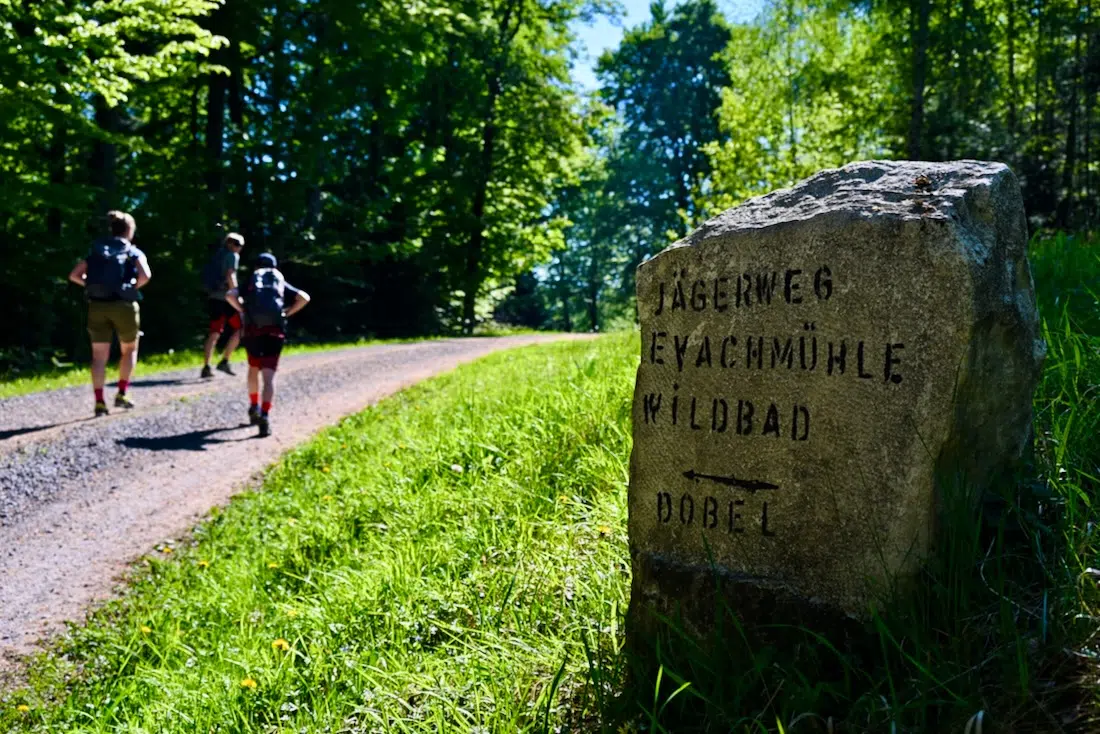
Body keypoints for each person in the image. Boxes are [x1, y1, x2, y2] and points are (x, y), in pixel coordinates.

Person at [68, 211, 152, 417]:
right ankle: (122, 393)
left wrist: (90, 285)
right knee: (129, 349)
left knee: (98, 356)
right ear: (129, 230)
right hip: (124, 306)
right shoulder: (132, 251)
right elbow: (146, 275)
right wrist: (130, 288)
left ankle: (99, 402)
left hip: (97, 306)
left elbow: (74, 275)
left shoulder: (98, 251)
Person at [226, 253, 310, 437]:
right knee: (269, 377)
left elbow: (230, 295)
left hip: (252, 331)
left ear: (257, 266)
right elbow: (304, 297)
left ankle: (253, 405)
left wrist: (243, 309)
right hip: (275, 332)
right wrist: (286, 313)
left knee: (253, 368)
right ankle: (264, 415)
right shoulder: (278, 280)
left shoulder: (252, 280)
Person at [200, 232, 245, 378]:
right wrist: (236, 295)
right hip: (227, 299)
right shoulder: (232, 256)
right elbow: (230, 275)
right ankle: (224, 361)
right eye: (237, 244)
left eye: (241, 245)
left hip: (214, 297)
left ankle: (206, 366)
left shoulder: (217, 256)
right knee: (241, 328)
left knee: (214, 332)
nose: (239, 248)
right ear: (229, 243)